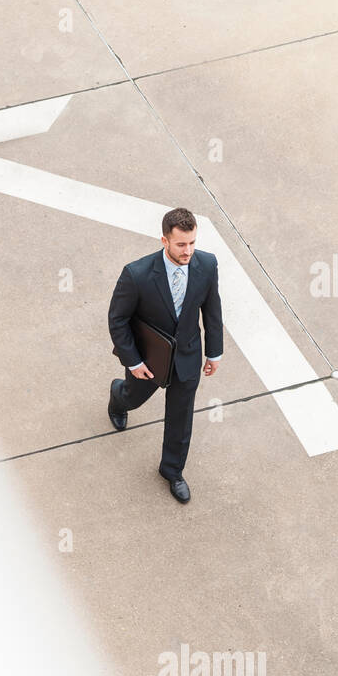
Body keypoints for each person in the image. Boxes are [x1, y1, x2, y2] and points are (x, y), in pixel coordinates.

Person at [106, 207, 224, 504]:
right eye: (181, 244)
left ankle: (172, 471)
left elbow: (212, 310)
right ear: (164, 240)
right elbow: (117, 320)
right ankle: (118, 395)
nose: (189, 251)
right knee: (134, 397)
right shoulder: (136, 274)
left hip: (187, 357)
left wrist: (214, 352)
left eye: (193, 242)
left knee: (181, 418)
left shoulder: (207, 265)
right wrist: (133, 362)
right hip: (148, 359)